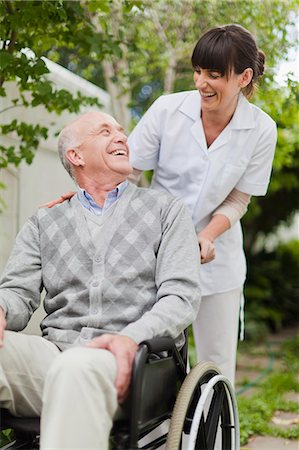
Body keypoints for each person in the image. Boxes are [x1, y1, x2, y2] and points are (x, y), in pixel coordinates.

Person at [0, 111, 201, 450]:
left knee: (77, 366)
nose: (121, 136)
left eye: (122, 131)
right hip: (55, 355)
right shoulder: (45, 221)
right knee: (70, 364)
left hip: (135, 364)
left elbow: (180, 297)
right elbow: (17, 294)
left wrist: (130, 337)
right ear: (75, 156)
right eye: (105, 131)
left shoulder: (167, 210)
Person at [127, 24, 277, 384]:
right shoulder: (167, 110)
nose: (200, 83)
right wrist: (87, 193)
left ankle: (214, 436)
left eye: (213, 74)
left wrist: (206, 236)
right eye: (197, 71)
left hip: (217, 258)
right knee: (153, 355)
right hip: (155, 251)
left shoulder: (261, 129)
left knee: (215, 364)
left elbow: (240, 197)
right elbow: (127, 170)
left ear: (244, 77)